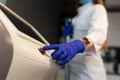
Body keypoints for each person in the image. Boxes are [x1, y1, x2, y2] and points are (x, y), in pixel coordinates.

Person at [43, 0, 108, 80]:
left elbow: (98, 34)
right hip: (73, 72)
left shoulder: (98, 8)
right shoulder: (77, 17)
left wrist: (79, 45)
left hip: (90, 74)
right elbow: (69, 43)